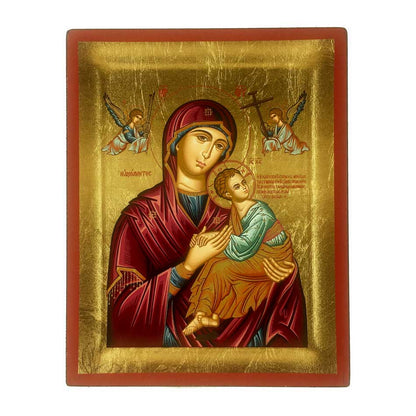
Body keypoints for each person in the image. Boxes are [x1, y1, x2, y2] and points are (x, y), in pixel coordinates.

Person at [106, 99, 307, 347]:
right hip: (169, 344)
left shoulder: (237, 213)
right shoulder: (140, 218)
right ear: (176, 141)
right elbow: (123, 314)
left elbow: (267, 261)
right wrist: (186, 268)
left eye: (219, 145)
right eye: (202, 138)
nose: (208, 152)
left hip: (244, 341)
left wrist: (286, 273)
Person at [183, 168, 295, 336]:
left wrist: (211, 236)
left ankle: (204, 314)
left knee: (221, 268)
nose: (244, 187)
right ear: (228, 195)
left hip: (272, 256)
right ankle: (204, 315)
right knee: (212, 261)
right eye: (237, 186)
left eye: (243, 182)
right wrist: (200, 241)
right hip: (255, 252)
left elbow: (244, 246)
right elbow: (233, 238)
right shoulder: (236, 211)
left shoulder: (261, 213)